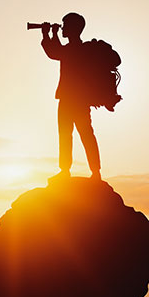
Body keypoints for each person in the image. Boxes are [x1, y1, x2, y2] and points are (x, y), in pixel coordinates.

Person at [40, 12, 101, 181]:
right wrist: (51, 34)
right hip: (72, 99)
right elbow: (58, 51)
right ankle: (76, 170)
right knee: (71, 134)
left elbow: (55, 52)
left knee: (82, 134)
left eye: (65, 25)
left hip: (74, 100)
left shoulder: (78, 49)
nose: (63, 27)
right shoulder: (77, 49)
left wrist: (48, 34)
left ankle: (92, 171)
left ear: (74, 28)